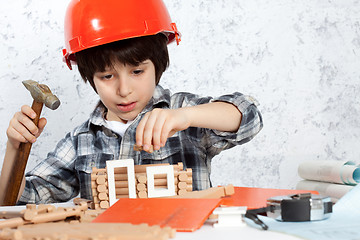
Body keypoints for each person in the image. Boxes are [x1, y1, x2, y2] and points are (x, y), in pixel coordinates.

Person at [0, 0, 263, 205]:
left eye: (137, 72)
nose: (124, 90)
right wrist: (15, 148)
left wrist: (185, 117)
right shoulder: (82, 140)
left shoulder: (183, 113)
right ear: (90, 76)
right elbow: (16, 199)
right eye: (107, 76)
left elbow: (249, 117)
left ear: (157, 66)